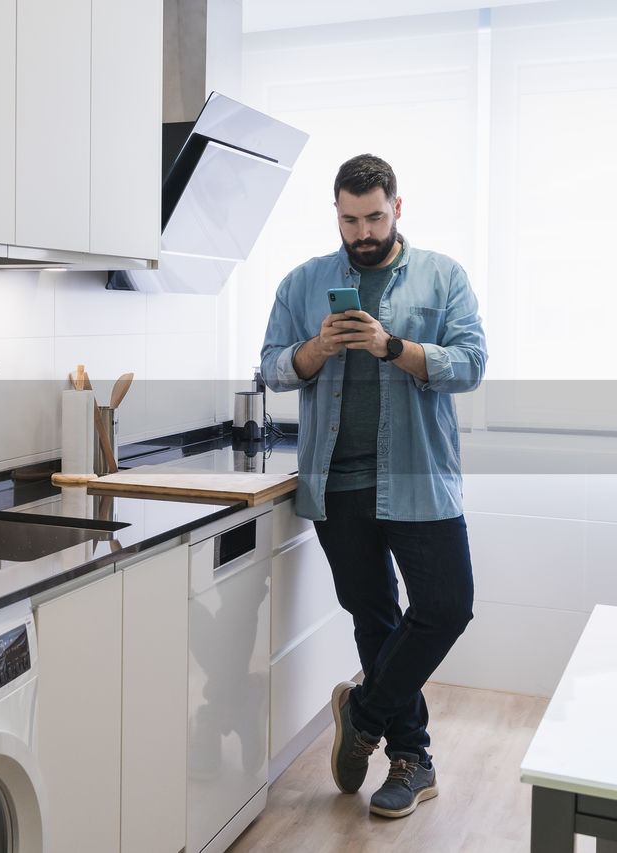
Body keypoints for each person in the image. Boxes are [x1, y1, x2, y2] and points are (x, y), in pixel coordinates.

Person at [259, 153, 487, 819]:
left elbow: (471, 364)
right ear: (337, 212)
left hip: (420, 477)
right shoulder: (303, 283)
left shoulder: (443, 276)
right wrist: (316, 349)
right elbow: (272, 368)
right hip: (339, 487)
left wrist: (393, 347)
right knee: (377, 618)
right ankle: (411, 760)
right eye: (350, 218)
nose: (362, 231)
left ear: (397, 209)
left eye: (375, 216)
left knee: (447, 607)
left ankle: (361, 712)